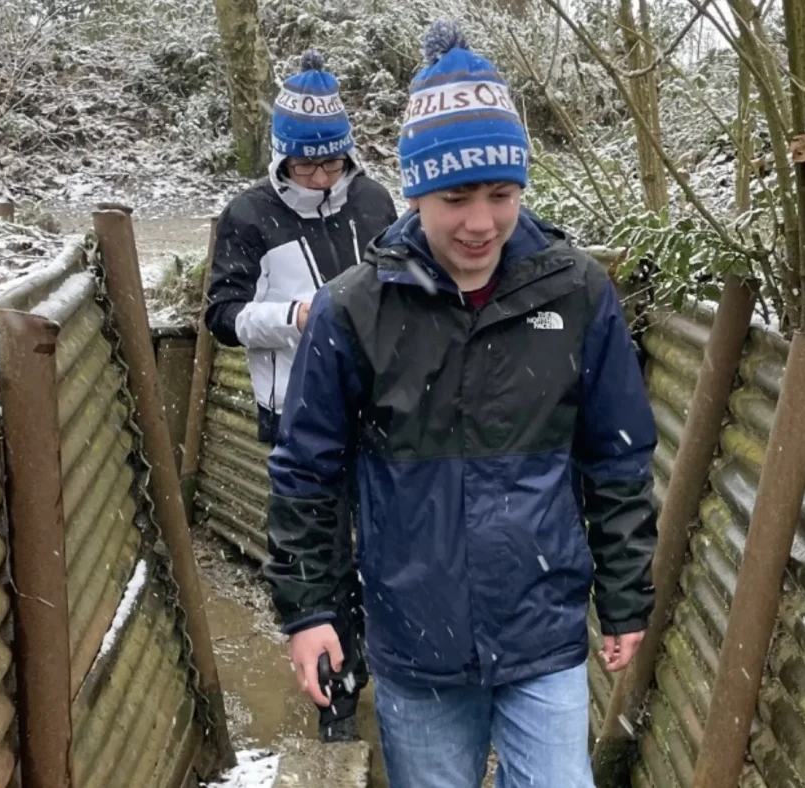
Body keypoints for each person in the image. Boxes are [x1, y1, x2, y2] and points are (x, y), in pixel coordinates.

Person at [263, 20, 658, 787]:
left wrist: (625, 593)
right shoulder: (352, 313)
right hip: (417, 643)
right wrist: (311, 612)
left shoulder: (577, 293)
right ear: (413, 190)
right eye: (456, 197)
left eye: (502, 194)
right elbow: (306, 476)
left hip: (541, 631)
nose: (481, 222)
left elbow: (616, 454)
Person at [204, 48, 397, 744]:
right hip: (296, 416)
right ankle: (337, 699)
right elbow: (221, 316)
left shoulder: (376, 202)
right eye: (307, 165)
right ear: (282, 158)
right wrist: (292, 320)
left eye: (332, 163)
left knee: (387, 545)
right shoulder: (248, 216)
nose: (321, 177)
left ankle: (379, 665)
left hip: (379, 410)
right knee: (324, 556)